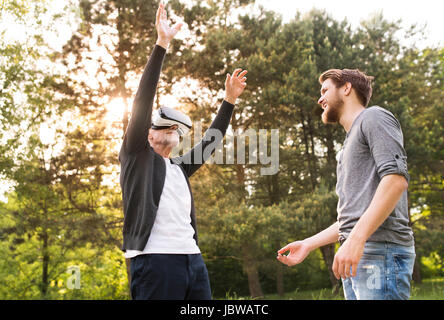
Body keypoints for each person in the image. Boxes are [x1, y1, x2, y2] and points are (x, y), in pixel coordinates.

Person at [119, 2, 247, 300]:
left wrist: (228, 101)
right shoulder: (135, 155)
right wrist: (162, 44)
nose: (172, 130)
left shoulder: (178, 167)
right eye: (164, 127)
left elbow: (210, 142)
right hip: (155, 261)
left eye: (175, 129)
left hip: (193, 259)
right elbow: (143, 100)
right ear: (146, 134)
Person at [277, 69, 415, 300]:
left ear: (347, 88)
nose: (320, 99)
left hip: (379, 250)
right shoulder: (346, 148)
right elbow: (351, 218)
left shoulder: (374, 117)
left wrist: (355, 240)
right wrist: (309, 244)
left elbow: (395, 181)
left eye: (325, 90)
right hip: (357, 253)